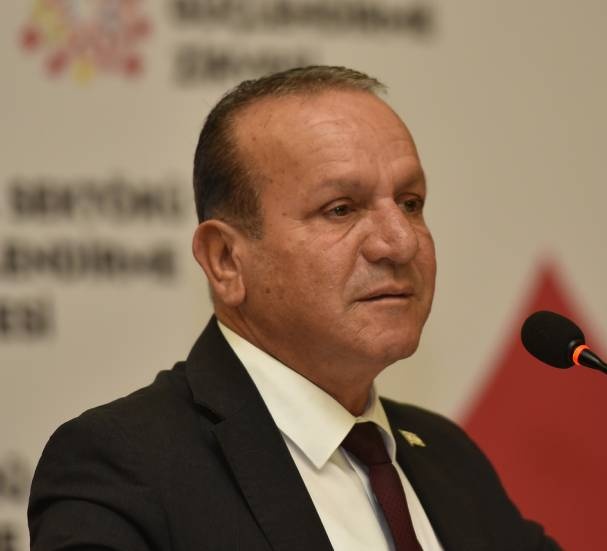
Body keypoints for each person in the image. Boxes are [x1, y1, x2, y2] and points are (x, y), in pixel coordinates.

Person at [28, 66, 560, 551]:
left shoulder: (449, 459)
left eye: (410, 203)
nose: (400, 242)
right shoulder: (125, 466)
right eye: (340, 209)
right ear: (225, 260)